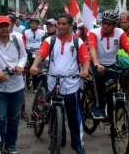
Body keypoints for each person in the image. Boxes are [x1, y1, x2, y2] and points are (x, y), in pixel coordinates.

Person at [30, 14, 89, 154]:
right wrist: (34, 66)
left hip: (71, 83)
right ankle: (57, 138)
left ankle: (77, 144)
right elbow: (41, 55)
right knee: (53, 111)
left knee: (73, 116)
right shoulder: (50, 40)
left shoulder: (77, 41)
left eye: (64, 24)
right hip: (52, 80)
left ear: (70, 25)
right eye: (59, 24)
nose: (61, 26)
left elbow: (85, 59)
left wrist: (85, 70)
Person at [88, 10, 129, 119]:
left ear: (115, 25)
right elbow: (92, 49)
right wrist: (97, 64)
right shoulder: (94, 32)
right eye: (104, 23)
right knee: (98, 82)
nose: (105, 26)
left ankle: (111, 117)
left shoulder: (119, 32)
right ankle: (99, 107)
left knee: (112, 90)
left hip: (111, 65)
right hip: (97, 64)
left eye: (109, 24)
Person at [0, 16, 27, 154]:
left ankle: (11, 144)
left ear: (11, 26)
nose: (4, 28)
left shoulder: (17, 40)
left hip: (17, 86)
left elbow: (23, 56)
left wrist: (20, 65)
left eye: (6, 25)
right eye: (1, 26)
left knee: (14, 118)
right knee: (0, 118)